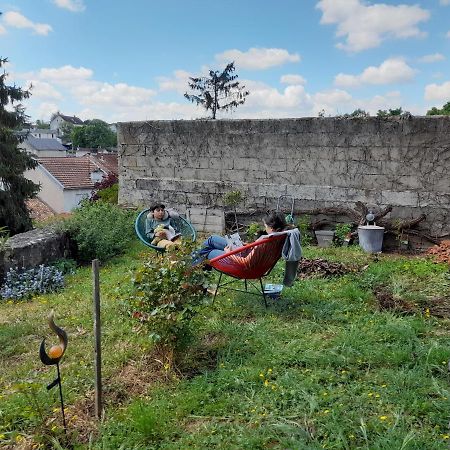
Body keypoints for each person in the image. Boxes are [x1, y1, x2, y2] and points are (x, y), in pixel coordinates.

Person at [193, 211, 302, 286]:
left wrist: (229, 253)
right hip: (253, 260)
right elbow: (256, 252)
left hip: (243, 268)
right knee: (212, 239)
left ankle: (191, 271)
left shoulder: (265, 243)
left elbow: (245, 263)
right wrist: (246, 245)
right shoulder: (280, 237)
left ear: (271, 228)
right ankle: (192, 267)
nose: (265, 228)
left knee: (207, 251)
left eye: (265, 226)